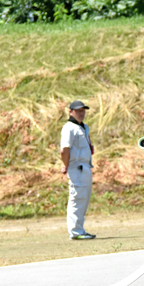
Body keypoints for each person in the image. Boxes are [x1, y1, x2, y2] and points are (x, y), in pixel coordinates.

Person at [60, 100, 96, 240]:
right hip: (76, 167)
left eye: (83, 110)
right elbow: (64, 150)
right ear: (70, 112)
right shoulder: (69, 128)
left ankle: (79, 229)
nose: (81, 113)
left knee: (83, 199)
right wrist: (66, 165)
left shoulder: (83, 127)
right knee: (77, 198)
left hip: (85, 166)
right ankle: (75, 232)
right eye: (78, 110)